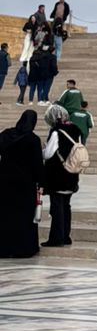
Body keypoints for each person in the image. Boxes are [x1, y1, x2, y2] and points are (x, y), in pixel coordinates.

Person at [0, 110, 45, 260]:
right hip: (25, 183)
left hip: (5, 181)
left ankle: (4, 248)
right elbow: (38, 164)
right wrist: (41, 182)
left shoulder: (6, 134)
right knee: (24, 217)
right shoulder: (33, 139)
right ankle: (23, 249)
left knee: (5, 215)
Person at [40, 103, 86, 246]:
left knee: (57, 207)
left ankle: (56, 238)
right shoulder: (75, 130)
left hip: (57, 175)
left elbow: (49, 153)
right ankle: (66, 236)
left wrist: (42, 150)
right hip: (72, 172)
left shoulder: (56, 131)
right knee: (66, 205)